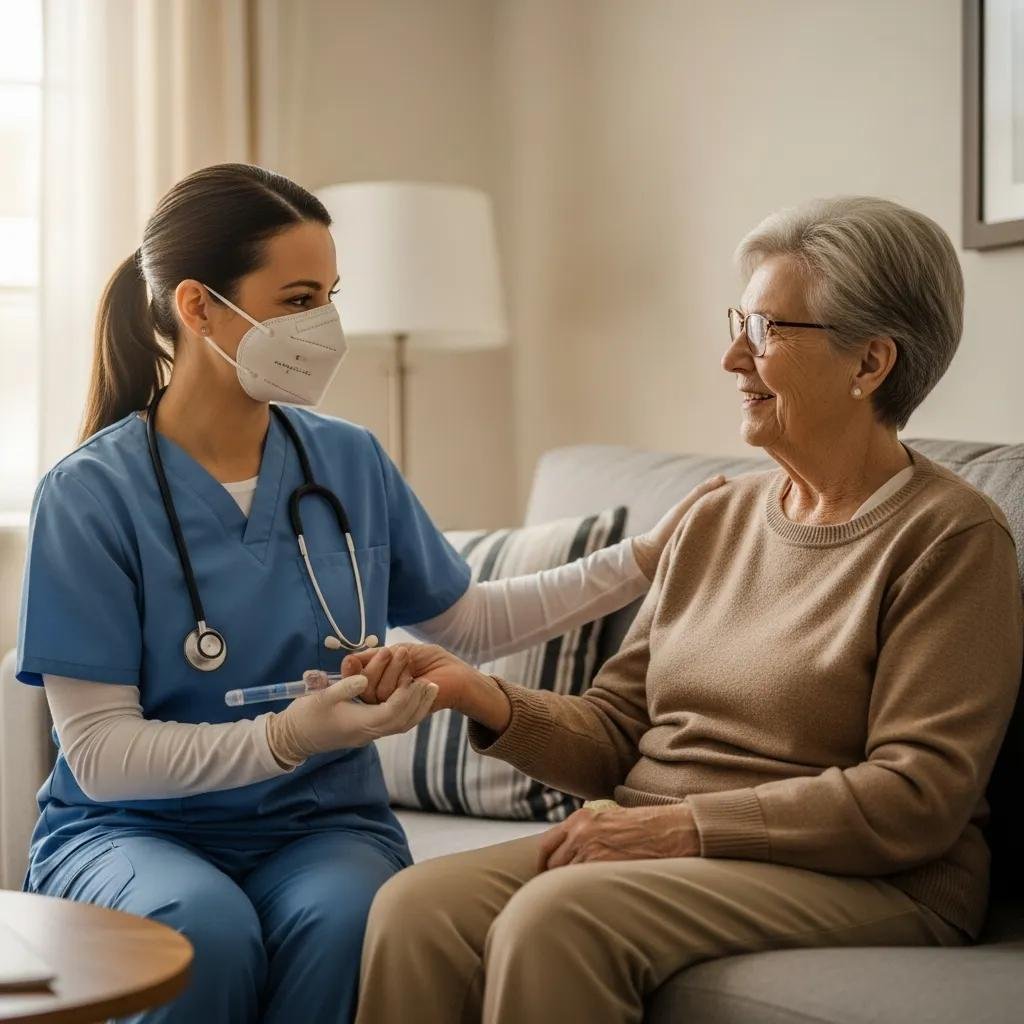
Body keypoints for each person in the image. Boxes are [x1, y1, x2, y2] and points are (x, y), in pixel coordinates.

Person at [14, 163, 719, 1024]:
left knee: (353, 921)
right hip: (136, 831)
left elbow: (468, 619)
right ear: (199, 308)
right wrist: (285, 736)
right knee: (204, 930)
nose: (327, 327)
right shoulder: (89, 493)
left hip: (321, 825)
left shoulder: (345, 460)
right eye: (299, 297)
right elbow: (101, 754)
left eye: (331, 296)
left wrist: (642, 557)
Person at [350, 196, 1024, 1024]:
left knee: (558, 919)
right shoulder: (717, 517)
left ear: (871, 364)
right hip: (665, 842)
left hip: (873, 876)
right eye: (740, 319)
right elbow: (613, 733)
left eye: (770, 331)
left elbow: (915, 797)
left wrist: (680, 828)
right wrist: (477, 692)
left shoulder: (950, 537)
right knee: (414, 909)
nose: (732, 356)